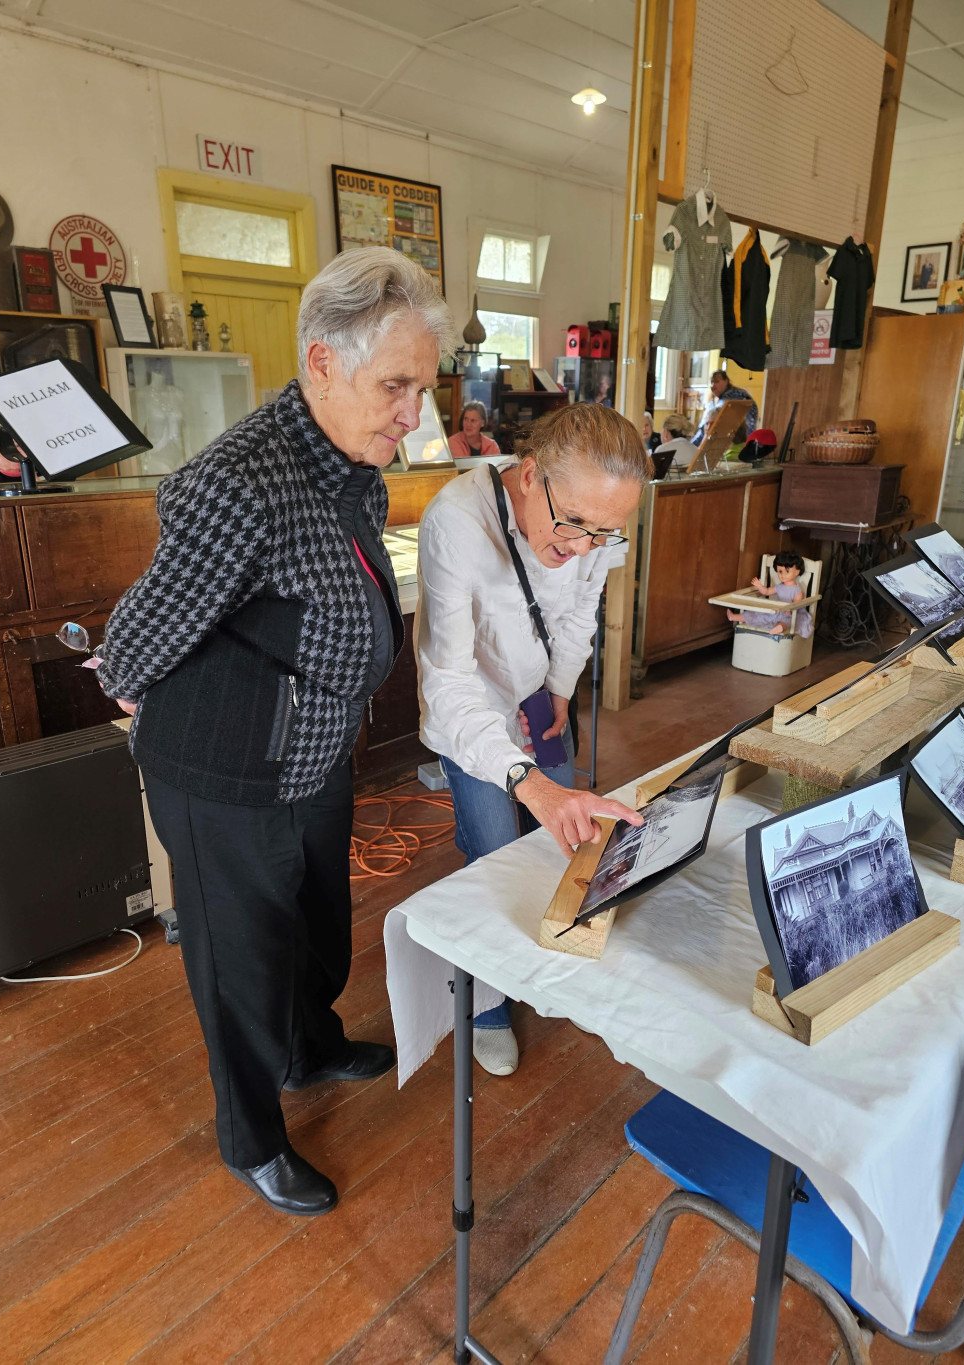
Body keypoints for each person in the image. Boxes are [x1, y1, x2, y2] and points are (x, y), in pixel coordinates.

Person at [93, 247, 456, 1217]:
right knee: (240, 958)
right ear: (320, 362)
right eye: (395, 386)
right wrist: (175, 703)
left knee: (313, 927)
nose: (410, 414)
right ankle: (248, 1136)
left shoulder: (348, 464)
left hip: (309, 757)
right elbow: (132, 642)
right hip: (224, 776)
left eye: (420, 389)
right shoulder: (238, 482)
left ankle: (308, 1047)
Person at [414, 404, 648, 1075]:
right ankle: (484, 998)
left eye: (604, 532)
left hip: (539, 687)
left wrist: (561, 692)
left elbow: (579, 610)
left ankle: (551, 962)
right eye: (572, 522)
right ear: (527, 474)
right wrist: (525, 779)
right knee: (490, 847)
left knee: (563, 839)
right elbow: (452, 685)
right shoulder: (456, 521)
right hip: (475, 706)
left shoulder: (593, 530)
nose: (581, 547)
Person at [726, 549, 814, 637]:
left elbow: (797, 604)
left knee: (787, 622)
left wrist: (789, 610)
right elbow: (767, 592)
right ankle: (734, 617)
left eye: (787, 571)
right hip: (778, 610)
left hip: (792, 614)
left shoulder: (796, 590)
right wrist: (759, 586)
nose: (782, 575)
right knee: (757, 614)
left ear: (797, 572)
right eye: (780, 571)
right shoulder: (779, 586)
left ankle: (778, 627)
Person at [691, 369, 757, 447]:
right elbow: (703, 429)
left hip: (737, 443)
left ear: (726, 381)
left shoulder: (736, 395)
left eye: (717, 382)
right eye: (711, 382)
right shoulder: (712, 402)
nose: (713, 385)